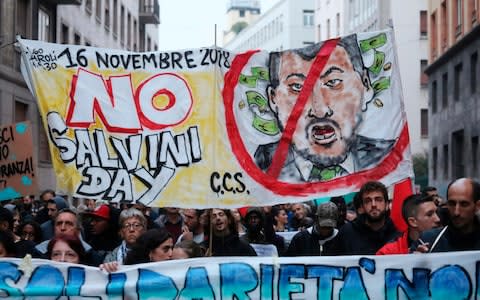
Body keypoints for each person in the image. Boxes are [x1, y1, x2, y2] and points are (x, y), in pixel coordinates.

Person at [254, 34, 394, 182]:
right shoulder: (257, 167)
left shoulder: (390, 159)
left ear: (365, 85)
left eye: (333, 82)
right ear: (273, 99)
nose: (319, 110)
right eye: (297, 87)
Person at [331, 181, 399, 255]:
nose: (373, 205)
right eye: (368, 201)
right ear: (362, 208)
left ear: (386, 205)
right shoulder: (346, 233)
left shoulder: (397, 238)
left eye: (378, 200)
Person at [416, 178, 480, 253]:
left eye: (464, 204)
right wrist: (416, 261)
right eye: (452, 204)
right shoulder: (428, 241)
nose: (456, 212)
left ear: (477, 206)